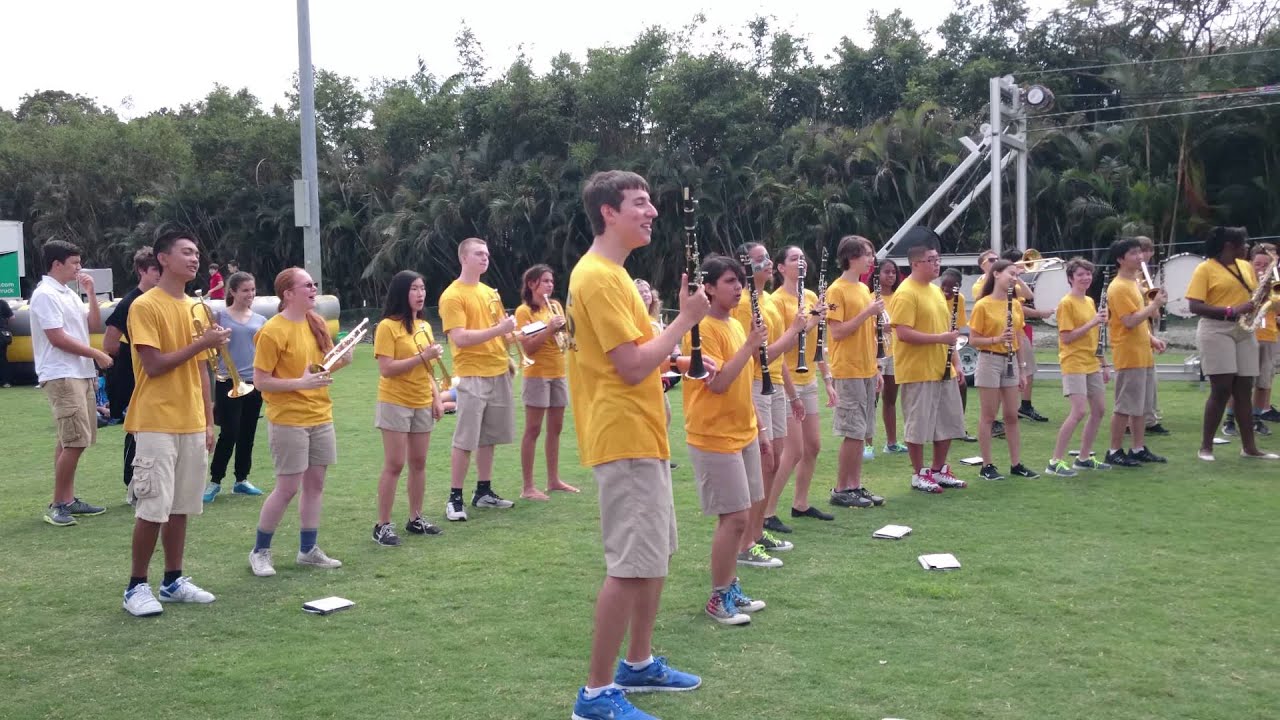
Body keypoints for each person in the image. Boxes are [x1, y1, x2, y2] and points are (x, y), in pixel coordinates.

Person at [567, 170, 707, 720]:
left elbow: (637, 350)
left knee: (652, 556)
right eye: (640, 203)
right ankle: (596, 694)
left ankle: (639, 663)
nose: (651, 212)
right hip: (621, 433)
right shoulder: (598, 277)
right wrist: (687, 322)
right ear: (608, 211)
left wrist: (678, 356)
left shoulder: (619, 276)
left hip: (643, 431)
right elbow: (627, 367)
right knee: (628, 565)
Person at [121, 230, 228, 616]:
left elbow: (202, 371)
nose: (195, 258)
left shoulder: (197, 307)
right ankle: (136, 587)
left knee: (182, 505)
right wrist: (203, 344)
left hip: (191, 421)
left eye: (197, 252)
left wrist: (208, 420)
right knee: (153, 506)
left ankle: (173, 580)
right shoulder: (145, 305)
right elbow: (154, 364)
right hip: (155, 419)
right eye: (186, 252)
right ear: (162, 258)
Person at [681, 254, 771, 624]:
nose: (738, 288)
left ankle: (730, 584)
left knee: (744, 513)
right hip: (713, 435)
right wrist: (750, 346)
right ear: (709, 287)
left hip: (742, 432)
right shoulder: (701, 328)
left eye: (739, 281)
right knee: (733, 518)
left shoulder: (734, 324)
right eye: (730, 281)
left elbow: (743, 384)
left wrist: (760, 430)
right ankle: (718, 596)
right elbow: (717, 384)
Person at [247, 267, 348, 577]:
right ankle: (260, 551)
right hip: (288, 419)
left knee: (315, 486)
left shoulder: (316, 322)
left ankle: (308, 550)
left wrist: (343, 358)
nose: (314, 289)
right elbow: (261, 382)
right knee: (288, 487)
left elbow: (322, 370)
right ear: (288, 294)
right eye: (307, 285)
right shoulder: (272, 330)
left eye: (314, 284)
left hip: (320, 415)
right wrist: (300, 383)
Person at [30, 239, 112, 526]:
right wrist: (96, 354)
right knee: (75, 441)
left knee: (70, 440)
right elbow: (57, 337)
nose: (79, 268)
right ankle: (59, 503)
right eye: (74, 263)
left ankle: (67, 499)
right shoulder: (45, 294)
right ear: (57, 264)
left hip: (78, 372)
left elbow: (91, 325)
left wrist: (90, 293)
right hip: (61, 373)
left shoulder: (66, 292)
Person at [439, 237, 518, 521]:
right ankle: (454, 498)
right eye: (478, 253)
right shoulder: (453, 295)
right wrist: (500, 331)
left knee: (490, 437)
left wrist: (523, 332)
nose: (485, 258)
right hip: (471, 374)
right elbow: (460, 337)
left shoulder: (489, 293)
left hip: (498, 370)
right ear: (463, 258)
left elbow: (504, 334)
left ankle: (483, 491)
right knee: (465, 439)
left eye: (486, 253)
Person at [731, 242, 804, 550]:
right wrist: (796, 331)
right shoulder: (746, 302)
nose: (768, 263)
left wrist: (792, 394)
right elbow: (757, 356)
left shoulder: (766, 300)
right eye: (761, 259)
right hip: (756, 383)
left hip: (773, 385)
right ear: (746, 265)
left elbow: (779, 357)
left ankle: (758, 531)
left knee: (772, 463)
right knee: (764, 462)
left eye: (767, 258)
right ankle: (748, 538)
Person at [1186, 227, 1277, 461]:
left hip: (1244, 329)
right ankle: (1205, 447)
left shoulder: (1245, 266)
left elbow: (1252, 295)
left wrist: (1265, 291)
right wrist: (1231, 310)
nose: (1246, 246)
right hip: (1216, 330)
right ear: (1228, 245)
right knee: (1222, 388)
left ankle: (1249, 448)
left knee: (1244, 389)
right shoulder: (1205, 269)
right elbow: (1194, 306)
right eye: (1242, 243)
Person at [370, 270, 446, 547]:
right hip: (394, 400)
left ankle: (416, 518)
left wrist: (436, 397)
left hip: (421, 400)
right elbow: (387, 369)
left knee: (419, 463)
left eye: (423, 288)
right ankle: (382, 524)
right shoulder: (387, 327)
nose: (420, 293)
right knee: (395, 464)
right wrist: (421, 356)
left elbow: (428, 370)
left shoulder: (424, 326)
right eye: (414, 288)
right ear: (402, 292)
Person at [888, 235, 967, 493]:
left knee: (946, 421)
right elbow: (903, 333)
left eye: (938, 260)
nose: (936, 265)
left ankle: (939, 469)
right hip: (917, 370)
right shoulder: (906, 293)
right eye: (931, 260)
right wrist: (939, 339)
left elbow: (948, 331)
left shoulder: (935, 291)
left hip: (942, 368)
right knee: (918, 424)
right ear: (915, 264)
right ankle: (919, 473)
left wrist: (956, 361)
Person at [766, 244, 835, 525]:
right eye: (794, 259)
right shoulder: (777, 301)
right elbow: (785, 343)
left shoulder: (809, 296)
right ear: (781, 268)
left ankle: (801, 503)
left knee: (813, 446)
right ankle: (767, 511)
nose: (801, 262)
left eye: (802, 258)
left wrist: (828, 379)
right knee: (792, 451)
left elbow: (818, 344)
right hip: (786, 379)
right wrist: (811, 322)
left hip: (808, 379)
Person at [825, 236, 887, 507]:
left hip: (866, 368)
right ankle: (841, 488)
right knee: (853, 431)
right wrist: (868, 313)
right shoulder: (836, 290)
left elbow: (864, 331)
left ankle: (855, 485)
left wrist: (878, 367)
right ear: (851, 257)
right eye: (867, 254)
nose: (871, 259)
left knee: (863, 431)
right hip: (847, 369)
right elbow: (837, 332)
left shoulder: (863, 289)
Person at [969, 260, 1039, 480]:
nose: (1014, 278)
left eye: (1017, 275)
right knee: (988, 415)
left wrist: (1022, 368)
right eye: (1011, 274)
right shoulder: (983, 304)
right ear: (997, 274)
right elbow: (973, 340)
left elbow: (1018, 335)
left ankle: (1016, 463)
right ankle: (987, 465)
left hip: (1010, 361)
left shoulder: (1016, 304)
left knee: (1011, 415)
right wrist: (996, 339)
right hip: (989, 360)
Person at [515, 264, 579, 500]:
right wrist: (549, 330)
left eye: (551, 281)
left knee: (556, 428)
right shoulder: (524, 312)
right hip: (537, 374)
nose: (550, 285)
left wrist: (564, 330)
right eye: (545, 281)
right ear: (532, 284)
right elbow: (528, 348)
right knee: (533, 429)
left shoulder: (555, 306)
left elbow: (563, 340)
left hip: (558, 371)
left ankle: (553, 480)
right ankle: (528, 487)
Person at [203, 271, 267, 502]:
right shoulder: (220, 317)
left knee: (247, 433)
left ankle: (241, 479)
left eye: (252, 290)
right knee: (229, 432)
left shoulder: (261, 320)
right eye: (245, 290)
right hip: (227, 380)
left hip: (253, 381)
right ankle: (214, 481)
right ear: (232, 292)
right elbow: (209, 345)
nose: (250, 294)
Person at [1104, 237, 1168, 467]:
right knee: (1125, 406)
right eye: (1133, 253)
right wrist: (1154, 305)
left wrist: (1152, 339)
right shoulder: (1118, 286)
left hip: (1142, 352)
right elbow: (1128, 321)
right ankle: (1114, 450)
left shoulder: (1134, 283)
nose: (1139, 257)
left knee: (1140, 406)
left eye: (1140, 253)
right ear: (1121, 259)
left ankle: (1138, 447)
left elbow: (1138, 323)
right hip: (1129, 354)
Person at [1046, 258, 1112, 476]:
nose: (1085, 278)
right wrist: (1093, 322)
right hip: (1073, 361)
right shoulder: (1067, 303)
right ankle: (1055, 461)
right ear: (1071, 278)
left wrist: (1104, 364)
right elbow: (1066, 338)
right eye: (1080, 274)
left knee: (1099, 410)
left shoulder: (1090, 302)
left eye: (1088, 274)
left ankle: (1084, 457)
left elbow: (1095, 338)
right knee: (1079, 411)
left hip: (1091, 362)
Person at [104, 247, 161, 489]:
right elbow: (109, 343)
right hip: (134, 374)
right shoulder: (130, 302)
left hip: (159, 373)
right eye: (155, 270)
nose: (160, 274)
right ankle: (132, 481)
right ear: (141, 271)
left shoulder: (164, 299)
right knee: (137, 428)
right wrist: (136, 354)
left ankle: (153, 478)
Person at [1135, 237, 1172, 436]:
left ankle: (1149, 417)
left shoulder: (1144, 273)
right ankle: (1139, 420)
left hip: (1147, 325)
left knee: (1150, 378)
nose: (1145, 256)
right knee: (1139, 380)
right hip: (1137, 329)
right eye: (1142, 252)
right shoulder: (1133, 276)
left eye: (1148, 252)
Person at [938, 268, 975, 441]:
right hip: (934, 346)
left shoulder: (958, 300)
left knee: (961, 385)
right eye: (944, 286)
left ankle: (958, 427)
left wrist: (954, 349)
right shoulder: (934, 297)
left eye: (951, 288)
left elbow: (957, 330)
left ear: (959, 287)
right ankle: (935, 429)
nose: (946, 291)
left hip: (949, 348)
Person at [876, 260, 907, 451]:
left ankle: (892, 442)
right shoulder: (872, 297)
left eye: (893, 273)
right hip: (876, 354)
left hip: (896, 352)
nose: (891, 276)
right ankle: (867, 445)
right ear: (877, 274)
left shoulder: (899, 297)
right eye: (886, 272)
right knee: (872, 399)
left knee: (890, 399)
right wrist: (880, 328)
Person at [1249, 243, 1280, 425]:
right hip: (1250, 334)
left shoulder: (1274, 284)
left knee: (1264, 379)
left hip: (1268, 334)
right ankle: (1231, 419)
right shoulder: (1246, 281)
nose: (1261, 269)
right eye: (1257, 264)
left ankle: (1257, 416)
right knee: (1244, 380)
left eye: (1265, 265)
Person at [0, 296, 13, 387]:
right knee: (2, 358)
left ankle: (5, 381)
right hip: (2, 334)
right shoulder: (2, 303)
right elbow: (12, 317)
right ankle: (5, 381)